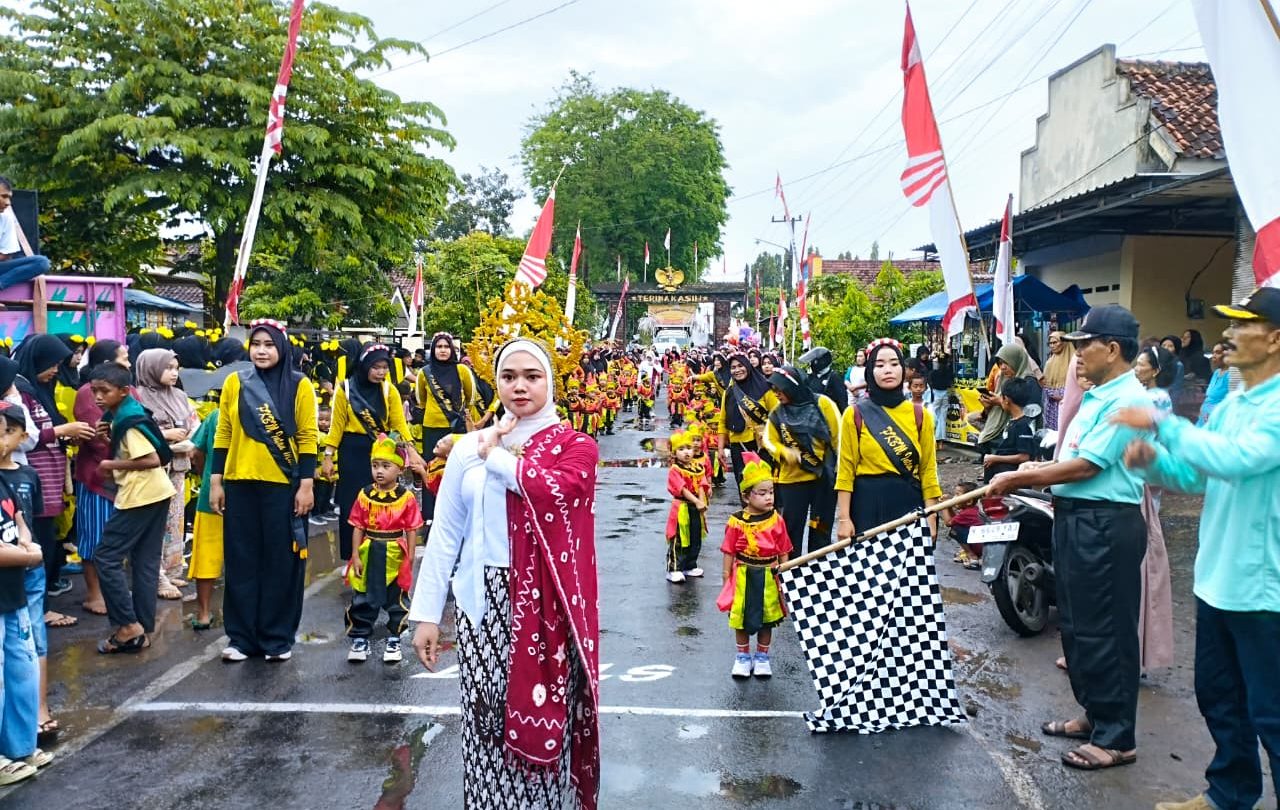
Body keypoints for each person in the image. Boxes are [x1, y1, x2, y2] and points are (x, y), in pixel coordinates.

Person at [410, 338, 601, 809]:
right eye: (509, 376)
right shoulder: (467, 450)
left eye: (532, 376)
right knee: (484, 719)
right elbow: (446, 534)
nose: (519, 386)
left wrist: (494, 455)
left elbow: (554, 487)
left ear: (550, 382)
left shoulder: (575, 447)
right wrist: (427, 615)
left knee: (542, 717)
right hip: (481, 602)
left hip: (546, 609)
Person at [1117, 287, 1280, 810]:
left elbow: (1237, 459)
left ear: (1274, 338)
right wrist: (1153, 463)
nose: (1228, 336)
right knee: (1220, 698)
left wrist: (1166, 425)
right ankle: (1229, 794)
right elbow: (1197, 472)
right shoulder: (1235, 404)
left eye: (1242, 325)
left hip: (1263, 589)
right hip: (1217, 581)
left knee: (1272, 714)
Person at [987, 304, 1149, 772]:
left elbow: (1087, 466)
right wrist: (1035, 469)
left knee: (1107, 629)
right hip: (1075, 516)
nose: (1076, 355)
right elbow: (1071, 456)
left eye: (1085, 346)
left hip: (1105, 522)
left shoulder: (1129, 401)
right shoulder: (1098, 395)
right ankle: (1096, 715)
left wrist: (1020, 480)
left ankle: (1118, 737)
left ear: (1112, 349)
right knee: (1077, 626)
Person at [210, 319, 318, 663]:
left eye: (269, 344)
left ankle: (277, 637)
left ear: (281, 348)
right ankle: (241, 638)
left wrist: (306, 484)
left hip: (283, 488)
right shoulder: (235, 383)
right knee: (241, 562)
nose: (261, 350)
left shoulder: (299, 386)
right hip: (240, 484)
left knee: (281, 563)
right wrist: (216, 481)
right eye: (256, 344)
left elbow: (307, 437)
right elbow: (224, 433)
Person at [89, 362, 175, 655]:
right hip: (158, 492)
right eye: (94, 391)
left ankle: (127, 626)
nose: (98, 397)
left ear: (124, 391)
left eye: (105, 391)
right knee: (145, 561)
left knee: (106, 556)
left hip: (141, 495)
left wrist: (111, 463)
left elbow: (151, 459)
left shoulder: (127, 421)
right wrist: (108, 439)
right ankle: (142, 628)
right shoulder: (122, 415)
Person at [13, 335, 95, 621]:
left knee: (47, 541)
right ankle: (40, 608)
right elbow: (22, 437)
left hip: (48, 479)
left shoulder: (40, 390)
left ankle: (41, 605)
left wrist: (66, 434)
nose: (56, 370)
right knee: (38, 543)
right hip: (33, 478)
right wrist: (61, 432)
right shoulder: (21, 391)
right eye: (52, 364)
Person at [834, 339, 941, 544]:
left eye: (894, 363)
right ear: (870, 371)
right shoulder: (854, 414)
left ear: (903, 370)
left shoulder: (921, 415)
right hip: (866, 506)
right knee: (868, 574)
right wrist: (844, 518)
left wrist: (932, 514)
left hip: (908, 504)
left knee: (909, 575)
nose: (888, 370)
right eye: (880, 365)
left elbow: (928, 469)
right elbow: (845, 470)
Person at [324, 343, 414, 560]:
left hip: (381, 451)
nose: (381, 372)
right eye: (376, 367)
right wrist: (328, 456)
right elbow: (336, 427)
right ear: (364, 365)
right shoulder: (345, 389)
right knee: (352, 504)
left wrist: (411, 450)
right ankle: (351, 556)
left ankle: (376, 553)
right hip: (351, 452)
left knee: (380, 501)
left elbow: (398, 424)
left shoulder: (388, 390)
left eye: (384, 367)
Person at [345, 435, 423, 664]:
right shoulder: (365, 494)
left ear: (399, 469)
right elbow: (358, 526)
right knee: (363, 596)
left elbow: (411, 529)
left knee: (395, 598)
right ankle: (360, 638)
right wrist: (355, 555)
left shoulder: (405, 498)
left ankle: (394, 639)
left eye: (386, 466)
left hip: (394, 553)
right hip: (370, 551)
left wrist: (409, 558)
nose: (379, 471)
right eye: (375, 465)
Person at [0, 401, 46, 785]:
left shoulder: (9, 476)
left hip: (12, 591)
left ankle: (19, 746)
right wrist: (27, 557)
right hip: (11, 577)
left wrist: (27, 546)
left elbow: (18, 522)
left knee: (21, 668)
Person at [717, 452, 792, 680]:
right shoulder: (737, 521)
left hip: (769, 575)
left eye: (771, 492)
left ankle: (762, 657)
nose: (769, 498)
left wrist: (785, 573)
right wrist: (726, 576)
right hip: (743, 575)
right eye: (762, 493)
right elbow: (729, 550)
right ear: (746, 496)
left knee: (766, 619)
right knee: (740, 617)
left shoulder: (776, 519)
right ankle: (742, 657)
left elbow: (784, 549)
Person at [133, 348, 199, 600]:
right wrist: (165, 437)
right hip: (151, 469)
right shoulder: (137, 397)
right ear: (150, 368)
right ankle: (155, 576)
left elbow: (193, 423)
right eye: (168, 368)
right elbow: (135, 432)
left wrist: (189, 439)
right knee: (154, 523)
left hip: (178, 465)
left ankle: (171, 570)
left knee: (175, 519)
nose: (174, 373)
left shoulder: (179, 395)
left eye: (175, 367)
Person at [72, 340, 128, 618]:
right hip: (97, 477)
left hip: (123, 476)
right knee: (94, 537)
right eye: (123, 358)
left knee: (115, 538)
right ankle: (93, 594)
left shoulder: (127, 389)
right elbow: (96, 438)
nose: (128, 363)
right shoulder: (88, 393)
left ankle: (110, 590)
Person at [763, 365, 840, 557]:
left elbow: (839, 438)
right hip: (792, 482)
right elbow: (768, 440)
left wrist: (841, 470)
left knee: (820, 527)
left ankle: (818, 570)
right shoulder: (777, 413)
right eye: (774, 390)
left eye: (779, 389)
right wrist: (784, 452)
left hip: (823, 478)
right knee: (792, 530)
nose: (776, 394)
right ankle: (793, 574)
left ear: (792, 386)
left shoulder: (823, 404)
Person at [1131, 345, 1175, 673]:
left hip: (1145, 476)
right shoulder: (1143, 393)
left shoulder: (1157, 398)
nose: (1136, 368)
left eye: (1142, 364)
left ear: (1155, 370)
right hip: (1143, 473)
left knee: (1146, 553)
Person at [416, 333, 474, 525]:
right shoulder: (424, 373)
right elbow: (421, 399)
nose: (442, 350)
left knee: (458, 469)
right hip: (432, 427)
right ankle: (430, 514)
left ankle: (457, 511)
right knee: (431, 468)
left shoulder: (462, 371)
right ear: (432, 350)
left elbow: (470, 397)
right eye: (438, 346)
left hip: (456, 428)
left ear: (452, 349)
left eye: (446, 346)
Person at [186, 404, 222, 631]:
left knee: (207, 558)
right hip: (249, 497)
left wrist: (205, 476)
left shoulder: (216, 415)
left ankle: (204, 614)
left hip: (211, 497)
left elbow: (196, 452)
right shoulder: (264, 412)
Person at [717, 353, 778, 485]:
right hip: (738, 447)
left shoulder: (765, 388)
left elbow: (777, 416)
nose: (737, 370)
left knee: (764, 486)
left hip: (761, 445)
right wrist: (720, 448)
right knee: (744, 486)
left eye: (740, 365)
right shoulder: (729, 392)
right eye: (733, 367)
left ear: (748, 366)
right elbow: (722, 422)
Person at [976, 342, 1043, 455]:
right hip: (998, 435)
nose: (1002, 367)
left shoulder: (1029, 383)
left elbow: (1031, 415)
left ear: (1016, 361)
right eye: (1000, 363)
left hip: (1017, 442)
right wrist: (989, 407)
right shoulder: (1004, 380)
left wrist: (1000, 402)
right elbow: (993, 415)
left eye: (1006, 363)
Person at [664, 430, 708, 583]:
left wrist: (702, 504)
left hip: (696, 506)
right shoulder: (675, 470)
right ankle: (674, 568)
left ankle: (690, 565)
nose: (686, 452)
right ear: (674, 453)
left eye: (688, 448)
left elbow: (702, 485)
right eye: (681, 449)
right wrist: (696, 501)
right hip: (682, 507)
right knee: (680, 539)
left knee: (695, 537)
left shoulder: (697, 467)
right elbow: (682, 488)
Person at [981, 377, 1037, 481]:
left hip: (1010, 478)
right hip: (1000, 474)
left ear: (1006, 400)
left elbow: (1024, 457)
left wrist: (996, 458)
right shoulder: (1013, 421)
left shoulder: (1023, 425)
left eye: (1001, 397)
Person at [0, 178, 51, 290]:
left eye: (9, 197)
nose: (8, 203)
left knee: (42, 262)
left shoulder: (6, 218)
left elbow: (6, 254)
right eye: (4, 196)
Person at [1041, 331, 1075, 430]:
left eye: (1055, 342)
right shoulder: (1049, 363)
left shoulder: (1074, 362)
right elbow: (1045, 385)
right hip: (1051, 406)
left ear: (1064, 342)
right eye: (1050, 343)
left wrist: (1063, 395)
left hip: (1068, 404)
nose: (1052, 346)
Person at [1197, 341, 1229, 426]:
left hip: (1218, 416)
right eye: (1213, 353)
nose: (1213, 356)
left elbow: (1233, 402)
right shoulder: (1217, 372)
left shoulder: (1232, 374)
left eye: (1218, 353)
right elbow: (1209, 394)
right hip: (1205, 414)